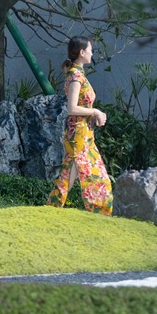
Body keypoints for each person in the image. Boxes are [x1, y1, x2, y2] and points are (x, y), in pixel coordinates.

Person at [47, 36, 113, 215]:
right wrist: (95, 112)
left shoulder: (78, 74)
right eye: (90, 50)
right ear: (82, 52)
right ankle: (99, 211)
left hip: (83, 134)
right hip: (78, 135)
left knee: (82, 173)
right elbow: (71, 108)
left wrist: (95, 114)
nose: (92, 53)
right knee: (80, 174)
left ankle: (54, 210)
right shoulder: (76, 76)